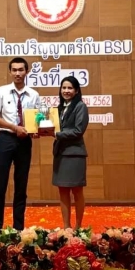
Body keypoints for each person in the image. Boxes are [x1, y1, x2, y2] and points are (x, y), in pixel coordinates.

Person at [0, 57, 40, 232]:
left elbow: (38, 119)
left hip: (24, 141)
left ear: (27, 71)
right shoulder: (1, 91)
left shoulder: (34, 94)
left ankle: (18, 228)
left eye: (21, 70)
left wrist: (36, 130)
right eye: (14, 70)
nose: (18, 73)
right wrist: (14, 127)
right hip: (5, 139)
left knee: (21, 185)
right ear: (10, 72)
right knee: (0, 184)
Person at [53, 76, 89, 229]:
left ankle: (78, 227)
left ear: (76, 91)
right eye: (64, 88)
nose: (66, 91)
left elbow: (78, 130)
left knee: (77, 191)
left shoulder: (80, 106)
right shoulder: (59, 108)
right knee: (62, 191)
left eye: (70, 88)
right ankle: (66, 227)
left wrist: (57, 134)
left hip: (74, 154)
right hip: (60, 154)